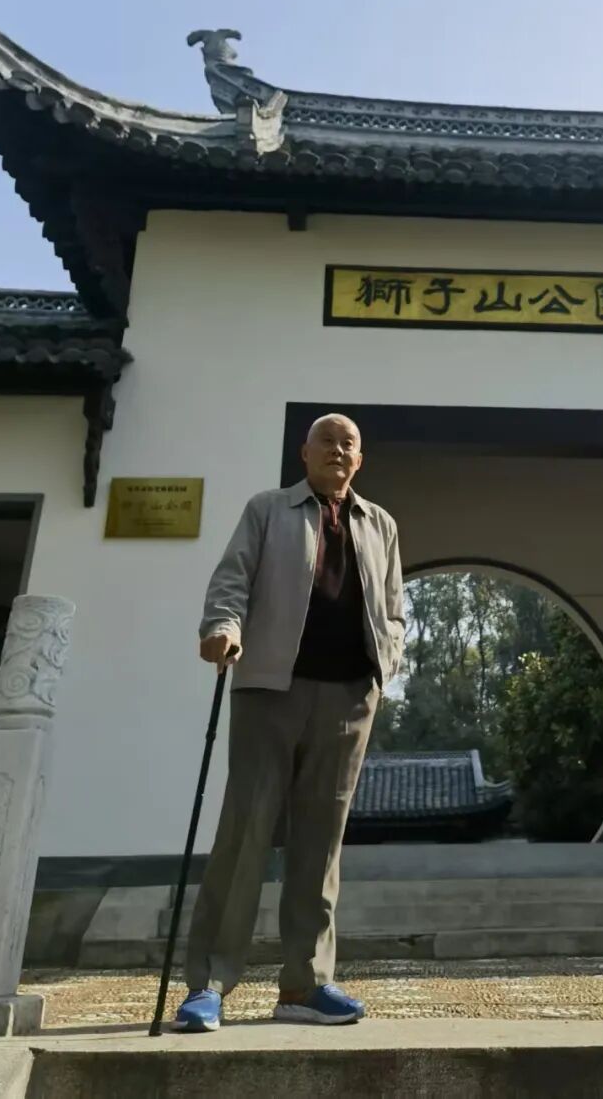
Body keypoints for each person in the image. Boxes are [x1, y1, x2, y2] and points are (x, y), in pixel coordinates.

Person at [173, 414, 404, 1033]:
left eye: (349, 443)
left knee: (320, 844)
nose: (338, 449)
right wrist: (222, 627)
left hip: (350, 698)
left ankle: (306, 984)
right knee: (246, 831)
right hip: (270, 688)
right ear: (305, 453)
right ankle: (208, 983)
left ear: (360, 460)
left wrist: (386, 663)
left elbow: (393, 607)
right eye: (326, 440)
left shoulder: (380, 523)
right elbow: (232, 579)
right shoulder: (268, 510)